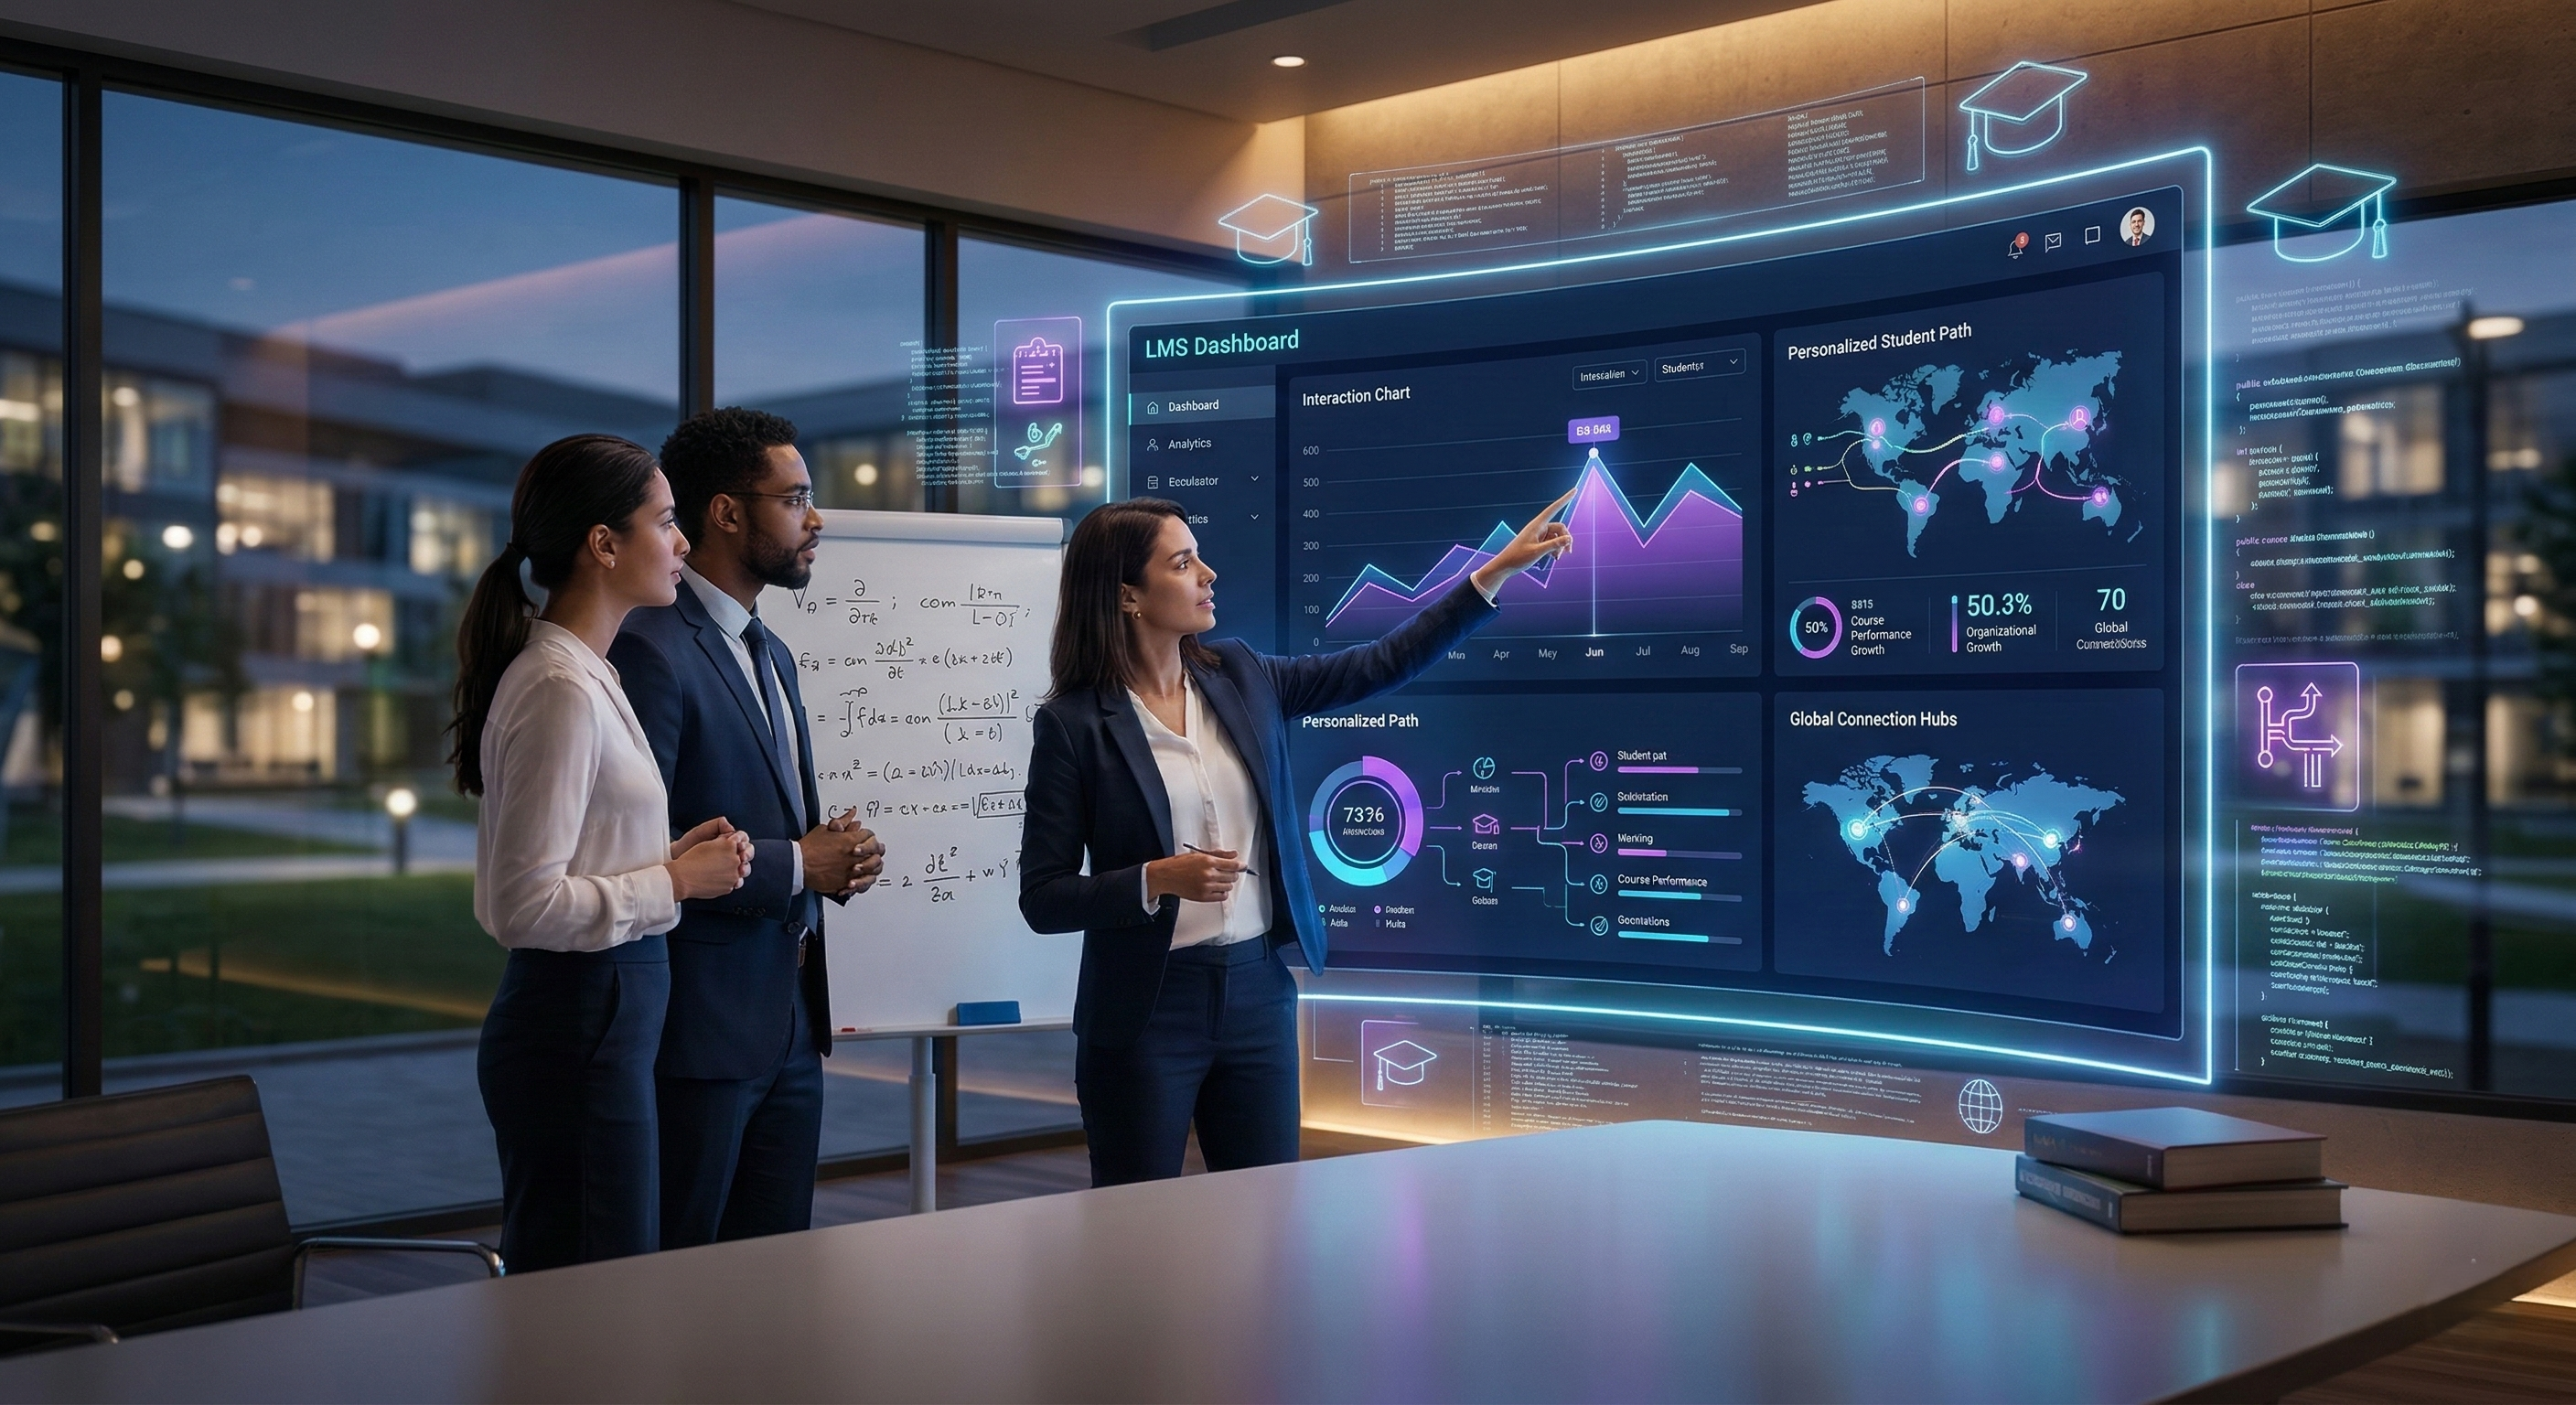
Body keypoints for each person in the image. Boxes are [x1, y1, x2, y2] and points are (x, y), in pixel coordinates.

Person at [1020, 493, 1573, 1185]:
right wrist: (1155, 879)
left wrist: (1493, 574)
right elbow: (1043, 897)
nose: (1208, 574)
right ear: (1127, 595)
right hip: (1145, 1011)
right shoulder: (1073, 725)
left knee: (1269, 1210)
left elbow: (1380, 662)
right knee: (1135, 1217)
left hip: (1258, 994)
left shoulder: (1241, 675)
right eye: (1183, 564)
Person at [454, 434, 754, 1271]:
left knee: (604, 1278)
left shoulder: (588, 674)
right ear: (603, 544)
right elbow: (522, 906)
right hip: (577, 1018)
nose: (683, 542)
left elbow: (578, 855)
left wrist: (668, 856)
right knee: (590, 1288)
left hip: (603, 1016)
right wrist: (673, 881)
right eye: (665, 521)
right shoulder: (558, 686)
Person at [609, 407, 886, 1248]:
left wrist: (835, 857)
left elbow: (771, 819)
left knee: (776, 1279)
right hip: (699, 1030)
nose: (816, 519)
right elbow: (639, 848)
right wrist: (799, 864)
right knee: (682, 1278)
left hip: (789, 1023)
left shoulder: (772, 650)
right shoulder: (649, 648)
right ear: (726, 513)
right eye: (795, 499)